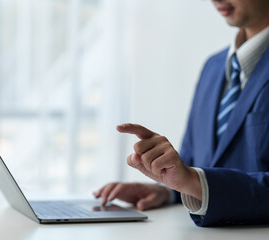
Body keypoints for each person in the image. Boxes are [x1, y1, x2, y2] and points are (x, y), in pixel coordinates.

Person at [94, 0, 269, 227]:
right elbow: (195, 163)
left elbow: (200, 178)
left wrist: (194, 182)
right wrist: (168, 190)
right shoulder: (213, 67)